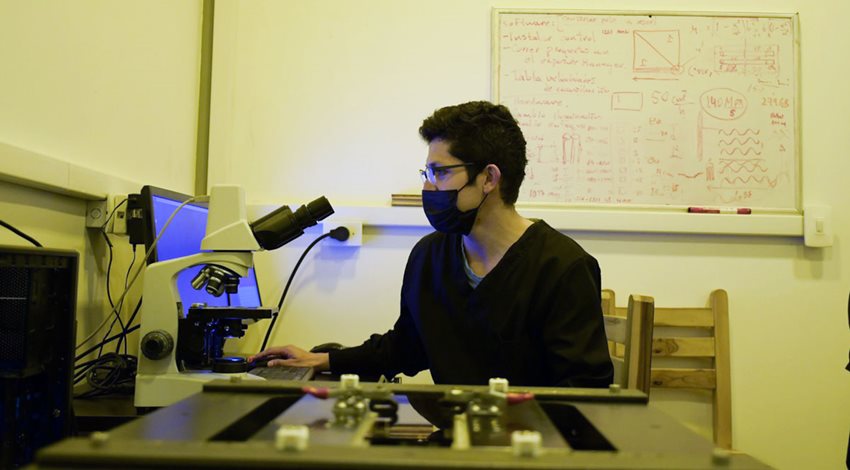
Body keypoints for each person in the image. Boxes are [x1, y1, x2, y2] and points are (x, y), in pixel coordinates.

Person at [250, 100, 613, 388]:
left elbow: (584, 389)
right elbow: (408, 346)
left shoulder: (563, 267)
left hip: (532, 446)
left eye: (440, 173)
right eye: (427, 173)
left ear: (489, 178)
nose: (428, 187)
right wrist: (324, 359)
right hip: (454, 439)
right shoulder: (430, 255)